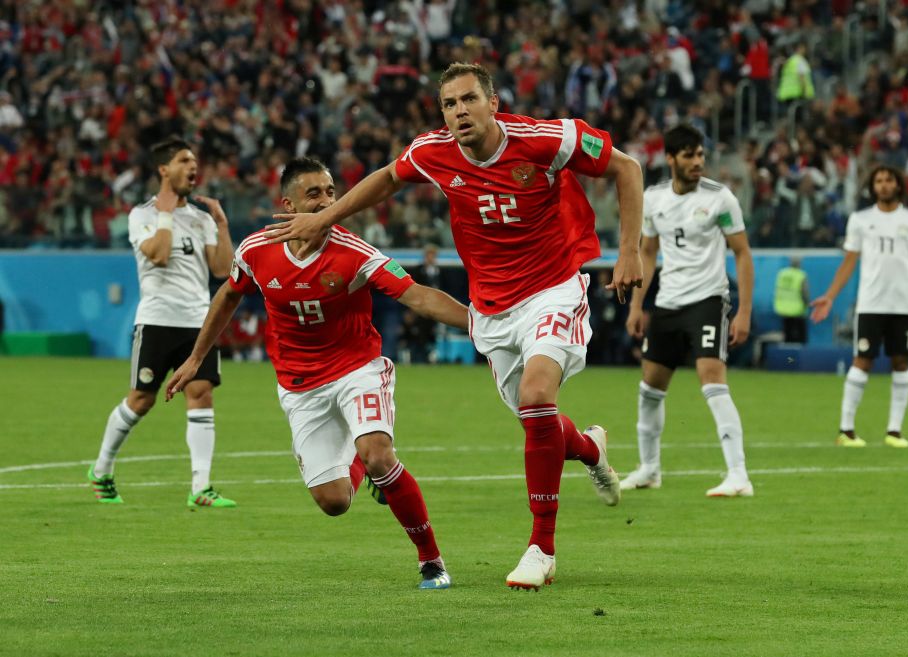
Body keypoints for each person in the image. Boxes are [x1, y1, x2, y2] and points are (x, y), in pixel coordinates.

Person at [266, 62, 644, 590]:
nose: (460, 111)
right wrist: (326, 217)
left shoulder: (547, 139)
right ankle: (590, 448)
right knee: (536, 418)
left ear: (493, 103)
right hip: (492, 308)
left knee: (537, 397)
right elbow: (387, 178)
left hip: (553, 288)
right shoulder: (433, 151)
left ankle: (542, 547)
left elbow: (627, 167)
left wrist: (629, 251)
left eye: (469, 99)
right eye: (449, 104)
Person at [166, 157, 468, 589]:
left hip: (358, 369)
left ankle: (431, 561)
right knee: (334, 502)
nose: (327, 201)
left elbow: (417, 296)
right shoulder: (256, 251)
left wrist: (478, 323)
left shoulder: (356, 253)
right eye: (314, 194)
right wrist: (196, 358)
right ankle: (363, 468)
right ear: (288, 206)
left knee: (379, 454)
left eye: (330, 192)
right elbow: (229, 295)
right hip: (301, 385)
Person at [88, 137, 237, 508]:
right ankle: (101, 469)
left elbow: (223, 269)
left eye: (194, 161)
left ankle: (200, 487)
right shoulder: (142, 215)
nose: (193, 167)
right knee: (141, 400)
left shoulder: (202, 218)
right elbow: (157, 254)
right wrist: (167, 214)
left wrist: (221, 224)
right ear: (163, 169)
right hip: (157, 321)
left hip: (199, 322)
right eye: (184, 160)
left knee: (201, 394)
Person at [622, 124, 755, 498]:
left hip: (708, 300)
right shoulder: (653, 199)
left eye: (700, 155)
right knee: (650, 387)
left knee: (712, 378)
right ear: (670, 158)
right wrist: (637, 305)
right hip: (667, 303)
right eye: (689, 155)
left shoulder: (720, 199)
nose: (697, 162)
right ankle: (649, 469)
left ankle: (738, 475)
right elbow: (648, 253)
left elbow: (742, 252)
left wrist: (743, 311)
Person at [810, 166, 908, 448]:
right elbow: (849, 261)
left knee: (902, 362)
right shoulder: (860, 219)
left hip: (904, 305)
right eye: (879, 181)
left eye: (888, 180)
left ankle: (894, 431)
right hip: (871, 303)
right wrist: (830, 295)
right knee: (862, 360)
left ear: (898, 185)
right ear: (872, 187)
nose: (883, 185)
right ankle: (846, 430)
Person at [774, 256, 809, 343]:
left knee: (787, 335)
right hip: (798, 310)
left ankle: (787, 350)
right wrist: (807, 305)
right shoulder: (801, 275)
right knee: (801, 336)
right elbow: (805, 293)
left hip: (782, 309)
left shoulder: (782, 274)